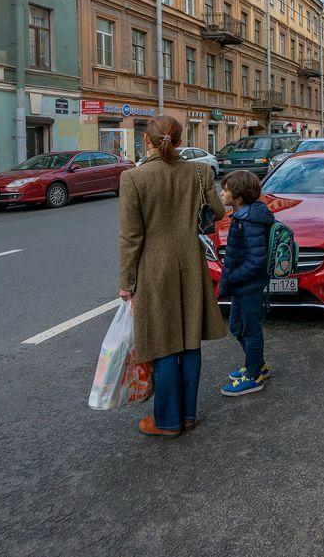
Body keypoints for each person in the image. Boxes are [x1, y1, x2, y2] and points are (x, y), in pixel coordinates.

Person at [119, 115, 226, 438]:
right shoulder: (200, 171)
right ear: (180, 141)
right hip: (192, 264)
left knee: (164, 342)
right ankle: (188, 415)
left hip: (154, 269)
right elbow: (219, 213)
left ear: (146, 142)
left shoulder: (134, 179)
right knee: (189, 340)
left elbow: (131, 237)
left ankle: (167, 421)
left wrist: (126, 282)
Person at [217, 170, 275, 396]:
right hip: (242, 286)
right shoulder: (243, 215)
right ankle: (257, 364)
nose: (222, 192)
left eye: (226, 189)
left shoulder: (249, 220)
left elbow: (256, 260)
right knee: (236, 327)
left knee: (250, 330)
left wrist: (232, 276)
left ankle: (254, 375)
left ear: (239, 196)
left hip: (248, 286)